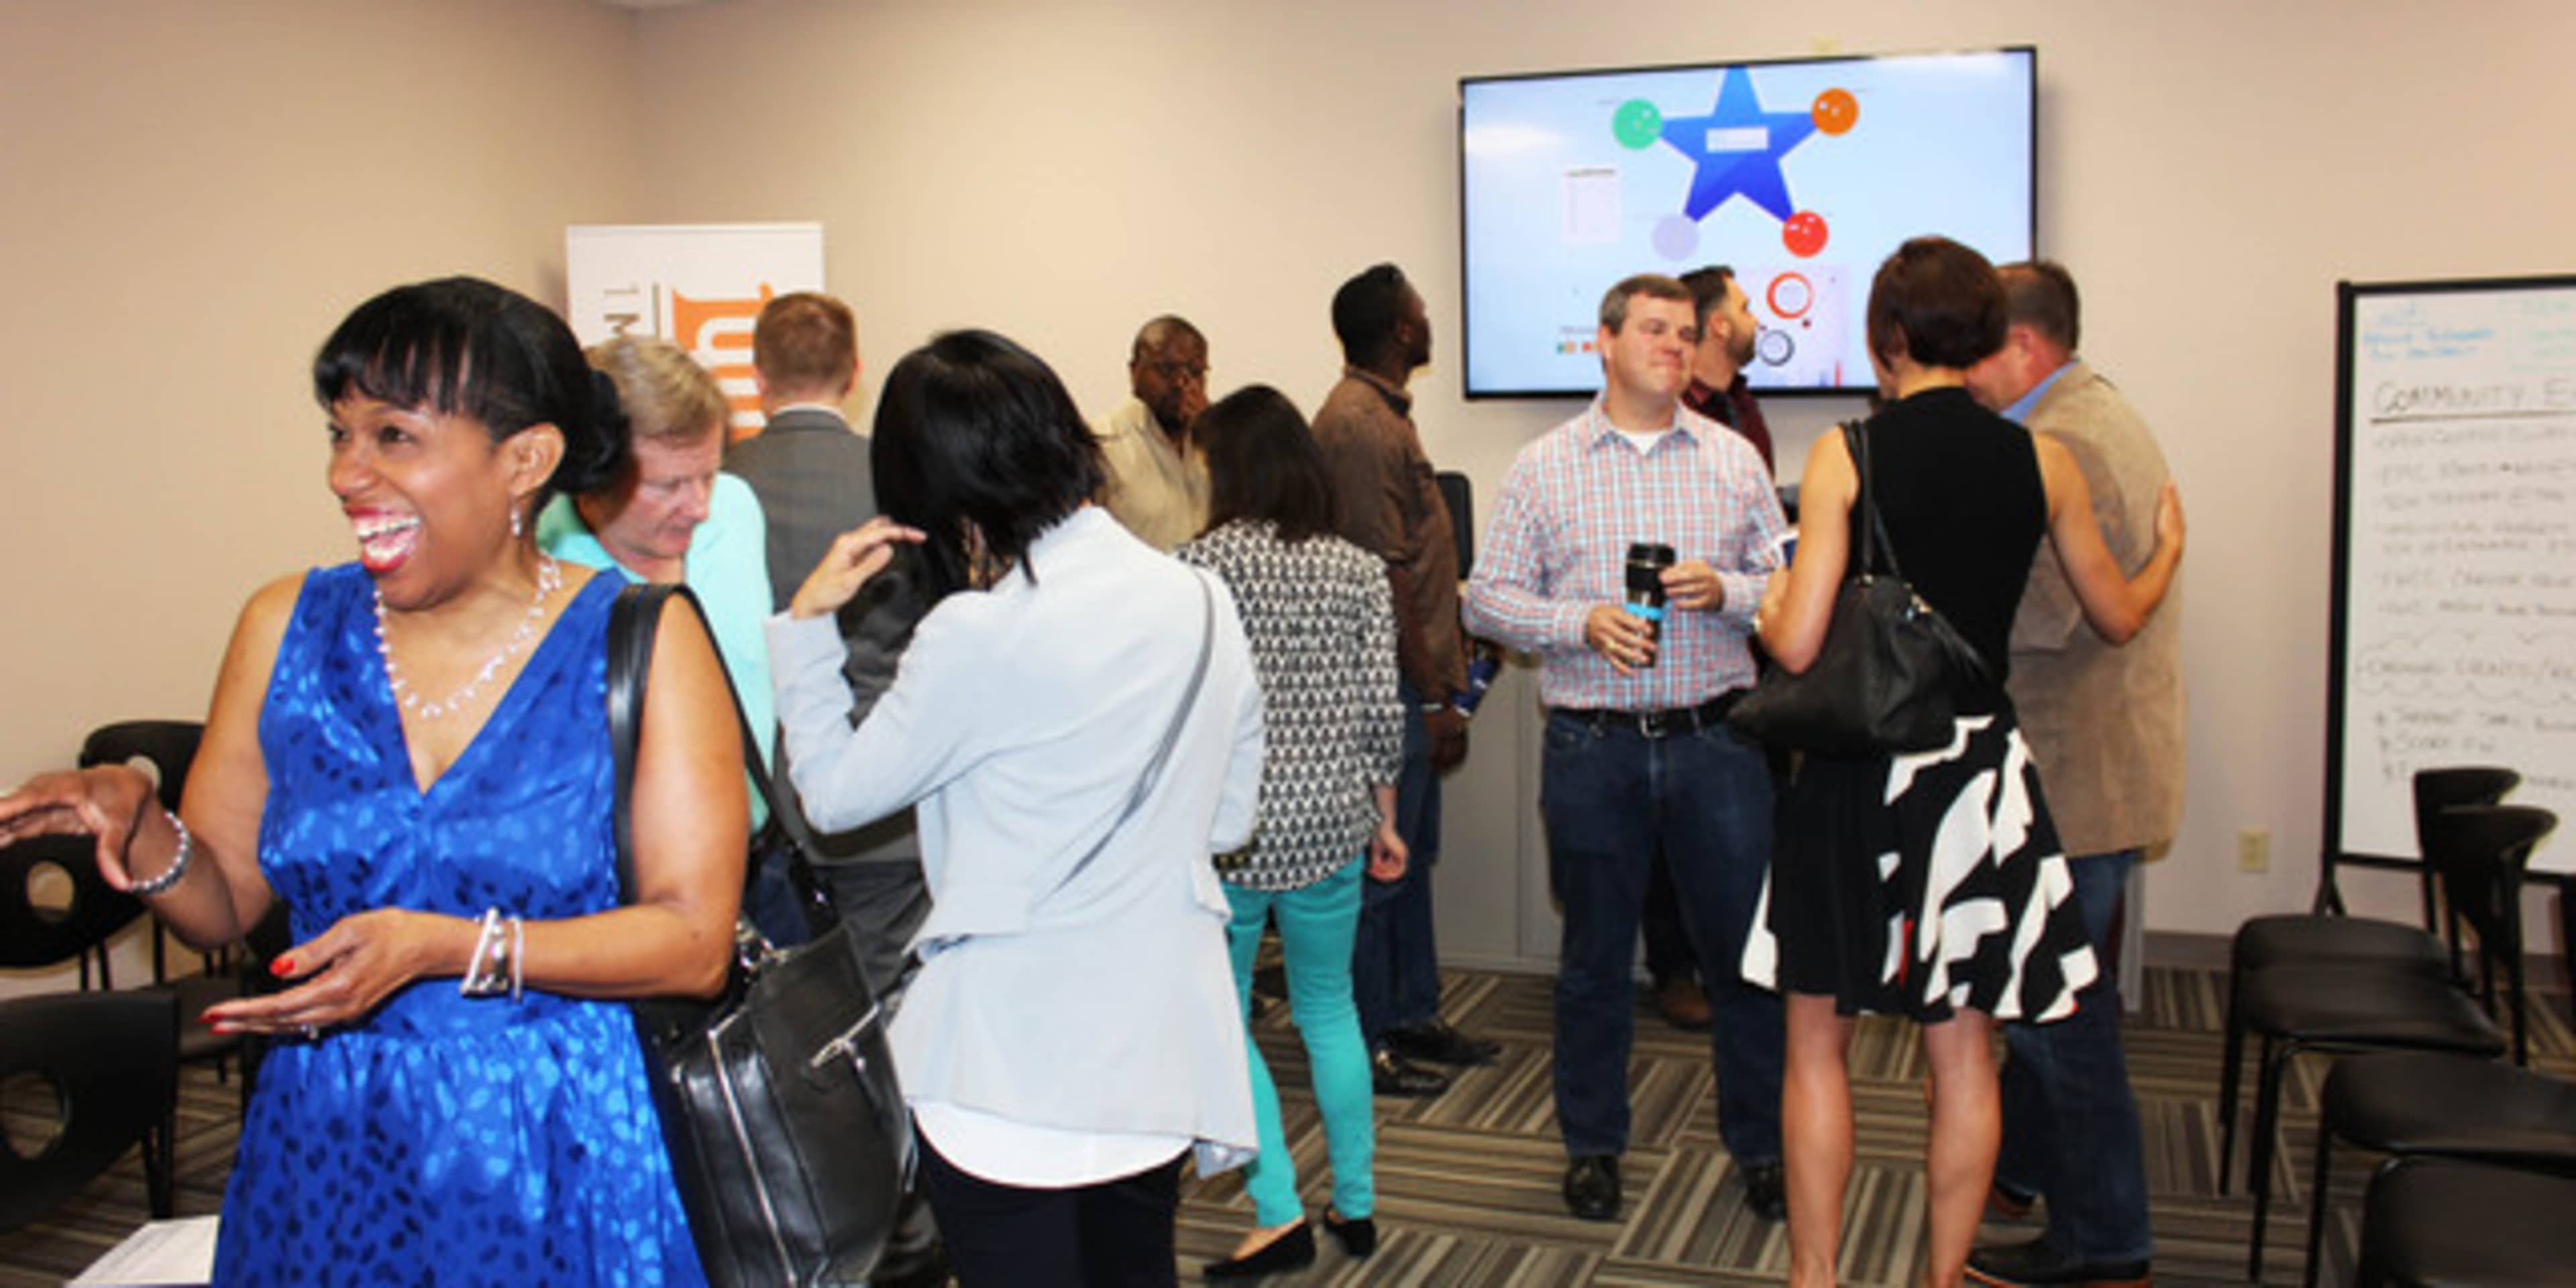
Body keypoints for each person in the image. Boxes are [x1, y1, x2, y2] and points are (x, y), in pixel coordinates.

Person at [0, 276, 747, 1283]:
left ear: (525, 458)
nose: (348, 473)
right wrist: (141, 835)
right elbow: (223, 906)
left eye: (394, 436)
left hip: (557, 1136)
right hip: (334, 1136)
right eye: (338, 433)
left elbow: (694, 943)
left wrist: (447, 947)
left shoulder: (642, 641)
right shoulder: (285, 630)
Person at [766, 329, 1264, 1286]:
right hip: (1155, 1043)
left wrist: (806, 631)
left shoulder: (978, 634)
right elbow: (1228, 822)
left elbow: (831, 798)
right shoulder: (1202, 599)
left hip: (1006, 1066)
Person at [1743, 237, 2184, 1288]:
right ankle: (1942, 1279)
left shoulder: (1850, 451)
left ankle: (1817, 1277)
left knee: (1816, 1046)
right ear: (1985, 335)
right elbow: (2117, 615)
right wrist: (2168, 547)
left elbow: (1798, 643)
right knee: (1964, 1053)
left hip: (1860, 774)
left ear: (1884, 338)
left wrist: (1765, 601)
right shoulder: (2046, 459)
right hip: (1980, 779)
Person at [1462, 272, 1788, 1224]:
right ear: (1602, 343)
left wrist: (1725, 592)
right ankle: (1594, 1145)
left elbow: (1790, 591)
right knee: (1596, 963)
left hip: (1717, 745)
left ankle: (1762, 1147)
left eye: (1687, 334)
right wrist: (1579, 621)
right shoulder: (1542, 467)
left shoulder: (1733, 462)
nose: (1676, 347)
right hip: (1592, 747)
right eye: (1654, 330)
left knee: (1743, 964)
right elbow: (1485, 600)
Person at [1960, 260, 2180, 1288]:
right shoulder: (2097, 409)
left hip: (2077, 777)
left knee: (2058, 1025)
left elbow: (2043, 618)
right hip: (2103, 764)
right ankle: (2018, 1172)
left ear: (2025, 349)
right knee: (2060, 1001)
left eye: (1977, 356)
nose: (1964, 376)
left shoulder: (2066, 441)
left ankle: (2106, 1245)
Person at [722, 290, 947, 1286]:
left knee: (796, 1016)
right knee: (901, 1009)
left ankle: (815, 1212)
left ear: (757, 378)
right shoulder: (894, 479)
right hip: (895, 797)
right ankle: (909, 1220)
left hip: (767, 799)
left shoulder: (715, 488)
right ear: (854, 369)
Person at [1177, 385, 1407, 1278]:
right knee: (1329, 1009)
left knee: (1224, 1016)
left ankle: (1276, 1208)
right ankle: (1356, 1201)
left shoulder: (1194, 567)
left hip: (1226, 835)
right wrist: (1385, 821)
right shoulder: (1354, 569)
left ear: (1229, 468)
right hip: (1330, 828)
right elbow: (1378, 711)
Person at [1309, 262, 1497, 1098]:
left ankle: (1413, 1011)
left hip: (1413, 683)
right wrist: (1427, 694)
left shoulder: (1384, 415)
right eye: (1420, 312)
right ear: (1399, 331)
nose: (1430, 321)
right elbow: (1377, 575)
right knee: (1381, 868)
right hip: (1388, 691)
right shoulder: (1356, 426)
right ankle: (1369, 1037)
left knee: (1412, 860)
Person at [1096, 314, 1212, 550]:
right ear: (1134, 371)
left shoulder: (1218, 443)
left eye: (1195, 371)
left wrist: (1216, 430)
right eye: (1167, 369)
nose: (1182, 382)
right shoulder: (1104, 442)